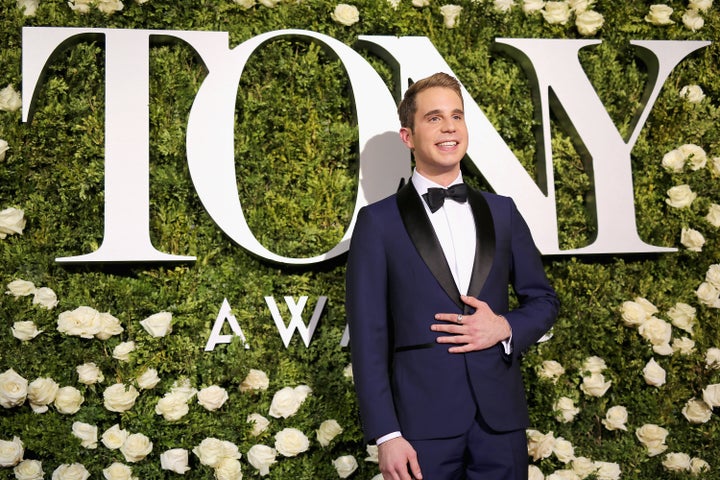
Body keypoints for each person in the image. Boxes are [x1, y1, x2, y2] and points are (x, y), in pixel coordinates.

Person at [345, 72, 559, 480]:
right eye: (434, 118)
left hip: (501, 425)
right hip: (419, 429)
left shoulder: (503, 211)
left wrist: (504, 327)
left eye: (457, 116)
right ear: (408, 136)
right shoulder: (378, 223)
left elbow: (543, 299)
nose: (449, 127)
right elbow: (369, 336)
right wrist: (386, 434)